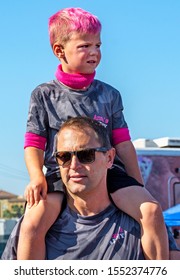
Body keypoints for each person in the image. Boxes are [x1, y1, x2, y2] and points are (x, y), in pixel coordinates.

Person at [17, 7, 168, 260]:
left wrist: (137, 182)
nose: (95, 52)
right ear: (59, 51)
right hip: (61, 174)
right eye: (85, 46)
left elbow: (122, 142)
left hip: (108, 173)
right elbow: (34, 142)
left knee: (151, 211)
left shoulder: (110, 95)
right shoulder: (43, 95)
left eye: (98, 45)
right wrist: (36, 177)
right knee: (32, 225)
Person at [1, 117, 180, 260]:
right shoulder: (32, 226)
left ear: (109, 158)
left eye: (86, 155)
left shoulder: (141, 220)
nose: (74, 165)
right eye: (63, 156)